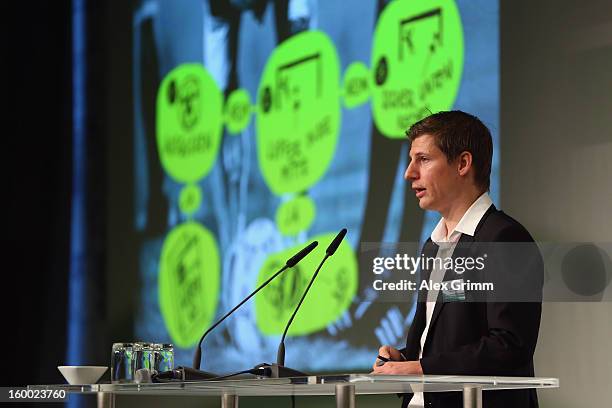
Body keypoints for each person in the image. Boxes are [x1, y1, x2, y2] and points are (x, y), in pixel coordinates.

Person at [372, 111, 543, 408]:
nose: (409, 173)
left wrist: (422, 368)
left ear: (463, 164)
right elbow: (445, 341)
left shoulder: (505, 238)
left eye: (423, 159)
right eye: (411, 160)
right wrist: (404, 359)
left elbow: (510, 345)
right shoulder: (432, 246)